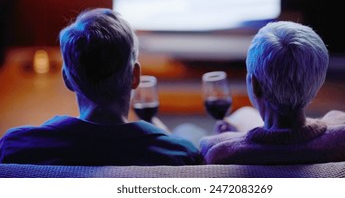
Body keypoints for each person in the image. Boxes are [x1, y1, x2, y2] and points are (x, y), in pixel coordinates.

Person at [0, 8, 201, 166]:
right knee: (188, 130)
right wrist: (162, 136)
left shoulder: (17, 147)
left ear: (67, 79)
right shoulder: (179, 154)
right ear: (135, 76)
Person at [200, 21, 345, 165]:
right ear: (317, 84)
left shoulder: (218, 150)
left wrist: (233, 136)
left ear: (254, 85)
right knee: (245, 116)